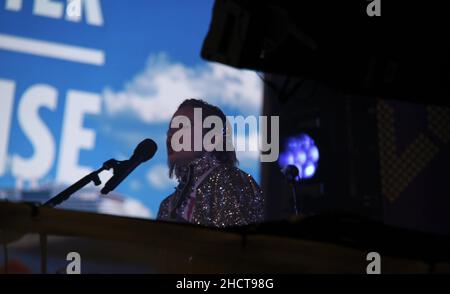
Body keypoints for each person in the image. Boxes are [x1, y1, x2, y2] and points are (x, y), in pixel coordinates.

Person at [157, 99, 264, 227]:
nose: (171, 136)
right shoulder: (167, 205)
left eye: (182, 126)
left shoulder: (227, 179)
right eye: (170, 129)